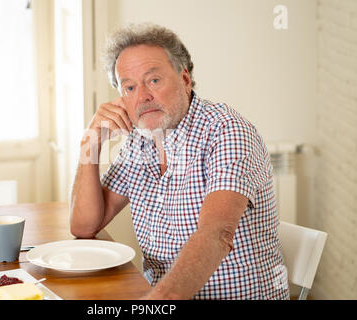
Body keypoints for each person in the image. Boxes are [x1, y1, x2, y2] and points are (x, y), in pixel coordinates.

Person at [70, 23, 290, 300]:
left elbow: (216, 234)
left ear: (185, 79)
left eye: (154, 80)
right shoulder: (140, 141)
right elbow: (84, 225)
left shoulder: (227, 131)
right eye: (129, 87)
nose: (142, 97)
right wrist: (90, 142)